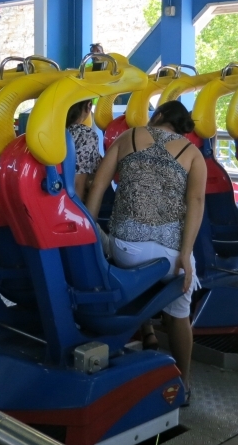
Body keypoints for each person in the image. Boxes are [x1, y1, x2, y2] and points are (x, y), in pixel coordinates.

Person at [85, 100, 206, 399]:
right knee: (179, 312)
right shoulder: (193, 154)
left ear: (159, 115)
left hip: (126, 249)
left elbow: (98, 186)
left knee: (130, 270)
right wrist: (185, 255)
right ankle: (184, 383)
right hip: (170, 257)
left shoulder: (129, 136)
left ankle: (147, 333)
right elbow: (196, 202)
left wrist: (89, 229)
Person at [66, 99, 102, 199]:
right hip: (71, 202)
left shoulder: (50, 131)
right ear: (89, 105)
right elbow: (78, 184)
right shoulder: (85, 135)